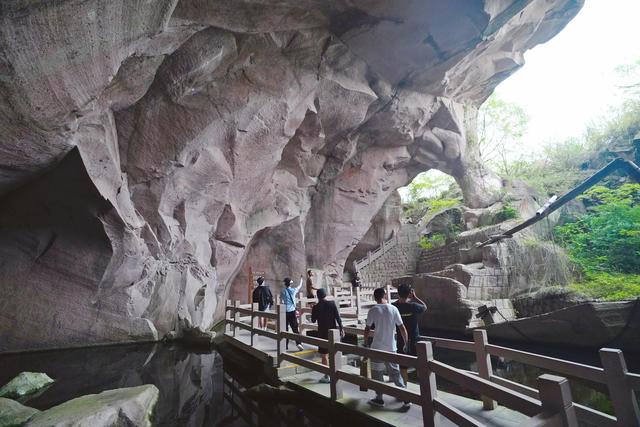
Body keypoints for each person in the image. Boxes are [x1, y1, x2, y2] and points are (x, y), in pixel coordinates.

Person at [364, 287, 409, 409]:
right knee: (395, 373)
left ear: (375, 297)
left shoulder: (373, 310)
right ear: (384, 295)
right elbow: (402, 328)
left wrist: (365, 343)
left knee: (377, 373)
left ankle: (379, 398)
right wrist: (406, 343)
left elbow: (367, 329)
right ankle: (405, 398)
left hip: (377, 347)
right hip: (391, 347)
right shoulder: (393, 309)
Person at [392, 283, 427, 384]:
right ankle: (424, 390)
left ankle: (405, 391)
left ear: (398, 293)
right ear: (409, 294)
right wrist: (415, 297)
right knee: (420, 365)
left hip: (401, 340)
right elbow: (425, 307)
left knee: (403, 366)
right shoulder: (414, 306)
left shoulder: (394, 307)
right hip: (415, 340)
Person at [311, 288, 344, 383]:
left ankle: (327, 376)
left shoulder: (316, 307)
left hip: (322, 333)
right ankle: (336, 373)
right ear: (325, 295)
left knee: (324, 355)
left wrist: (313, 309)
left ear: (317, 296)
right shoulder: (332, 304)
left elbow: (313, 320)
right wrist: (341, 328)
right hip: (333, 332)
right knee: (333, 353)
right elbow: (337, 317)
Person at [280, 276, 304, 351]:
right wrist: (301, 280)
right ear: (290, 284)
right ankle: (298, 343)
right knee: (295, 328)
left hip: (285, 312)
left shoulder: (283, 291)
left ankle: (285, 345)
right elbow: (299, 286)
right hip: (292, 311)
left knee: (285, 329)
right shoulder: (293, 290)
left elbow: (282, 301)